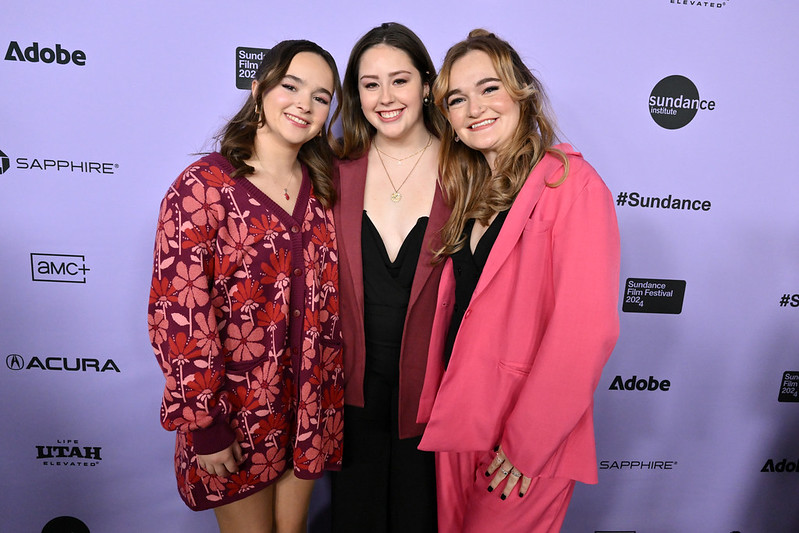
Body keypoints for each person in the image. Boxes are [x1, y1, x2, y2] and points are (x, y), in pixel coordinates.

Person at [415, 30, 620, 532]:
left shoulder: (572, 184)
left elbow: (586, 331)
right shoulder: (468, 191)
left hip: (527, 437)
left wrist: (528, 442)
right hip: (460, 420)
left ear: (521, 93)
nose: (473, 108)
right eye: (457, 99)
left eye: (489, 88)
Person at [147, 39, 344, 533]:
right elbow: (180, 313)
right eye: (291, 85)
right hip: (235, 413)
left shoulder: (323, 191)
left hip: (308, 409)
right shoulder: (203, 187)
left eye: (321, 96)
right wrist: (204, 424)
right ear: (258, 89)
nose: (305, 103)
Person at [329, 22, 449, 533]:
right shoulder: (332, 169)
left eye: (399, 80)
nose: (385, 97)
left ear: (426, 84)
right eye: (369, 83)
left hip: (436, 396)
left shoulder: (468, 169)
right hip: (349, 393)